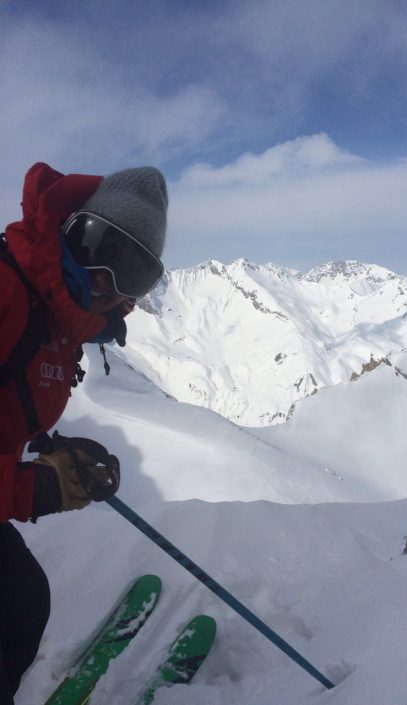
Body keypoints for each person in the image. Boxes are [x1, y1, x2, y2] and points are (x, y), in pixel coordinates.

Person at [0, 162, 168, 703]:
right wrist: (32, 487)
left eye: (136, 274)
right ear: (74, 233)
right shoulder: (7, 295)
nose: (111, 287)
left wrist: (52, 450)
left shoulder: (57, 315)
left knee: (19, 600)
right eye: (105, 253)